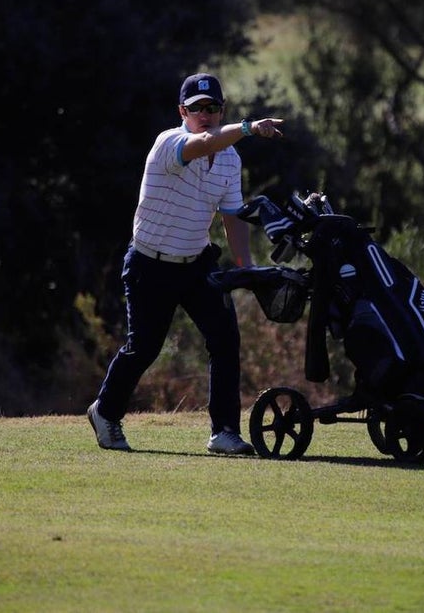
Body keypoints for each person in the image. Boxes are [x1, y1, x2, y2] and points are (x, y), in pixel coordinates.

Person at [87, 72, 284, 454]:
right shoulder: (170, 142)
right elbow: (206, 141)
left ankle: (224, 432)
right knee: (144, 348)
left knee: (225, 339)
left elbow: (232, 218)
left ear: (221, 109)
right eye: (197, 109)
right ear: (183, 112)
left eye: (213, 108)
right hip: (150, 262)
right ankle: (105, 412)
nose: (206, 115)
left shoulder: (230, 161)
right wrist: (248, 127)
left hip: (196, 262)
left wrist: (246, 268)